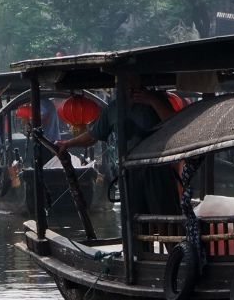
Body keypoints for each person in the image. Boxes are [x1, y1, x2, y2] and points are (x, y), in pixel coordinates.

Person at [55, 73, 180, 215]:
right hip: (129, 168)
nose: (130, 84)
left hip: (157, 166)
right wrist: (67, 144)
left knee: (163, 210)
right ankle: (134, 237)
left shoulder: (157, 99)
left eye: (133, 78)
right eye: (125, 80)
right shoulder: (113, 108)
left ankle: (168, 236)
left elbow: (173, 122)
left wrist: (151, 100)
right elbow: (92, 136)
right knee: (134, 214)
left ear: (140, 80)